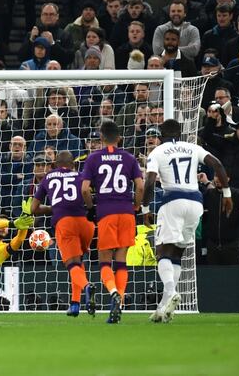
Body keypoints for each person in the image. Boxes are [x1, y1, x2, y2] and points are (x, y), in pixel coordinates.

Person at [143, 119, 232, 323]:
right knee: (177, 254)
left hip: (172, 201)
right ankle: (163, 308)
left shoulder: (156, 152)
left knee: (163, 252)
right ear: (181, 133)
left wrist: (146, 208)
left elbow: (149, 181)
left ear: (161, 134)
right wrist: (226, 194)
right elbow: (217, 164)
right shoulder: (193, 147)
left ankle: (172, 292)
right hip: (195, 203)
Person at [80, 120, 144, 324]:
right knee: (122, 259)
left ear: (101, 137)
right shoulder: (129, 158)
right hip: (126, 212)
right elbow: (140, 187)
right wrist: (135, 206)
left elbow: (84, 189)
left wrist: (91, 209)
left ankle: (114, 292)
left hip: (106, 213)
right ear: (119, 138)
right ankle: (121, 300)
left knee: (105, 261)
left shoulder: (93, 158)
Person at [31, 151, 97, 317]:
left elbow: (34, 209)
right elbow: (87, 192)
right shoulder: (81, 175)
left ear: (54, 165)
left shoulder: (49, 177)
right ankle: (75, 304)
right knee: (79, 261)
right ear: (73, 165)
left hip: (65, 222)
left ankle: (87, 286)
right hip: (86, 222)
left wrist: (53, 208)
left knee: (72, 264)